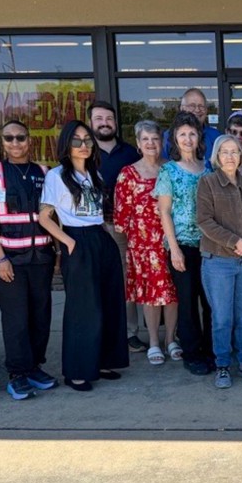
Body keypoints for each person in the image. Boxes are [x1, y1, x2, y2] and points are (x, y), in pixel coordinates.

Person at [39, 120, 129, 391]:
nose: (83, 145)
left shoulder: (94, 174)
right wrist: (67, 242)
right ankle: (77, 370)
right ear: (67, 145)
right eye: (77, 140)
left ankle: (101, 361)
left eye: (87, 140)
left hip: (100, 238)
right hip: (76, 240)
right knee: (83, 308)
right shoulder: (56, 176)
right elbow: (44, 217)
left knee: (109, 303)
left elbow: (98, 213)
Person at [0, 120, 57, 400]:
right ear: (2, 142)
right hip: (9, 259)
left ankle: (34, 366)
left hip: (41, 258)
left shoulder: (44, 172)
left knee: (40, 315)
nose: (15, 143)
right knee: (16, 318)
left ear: (29, 140)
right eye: (9, 138)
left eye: (20, 137)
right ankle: (18, 373)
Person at [197, 135, 242, 389]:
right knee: (222, 318)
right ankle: (223, 365)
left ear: (241, 156)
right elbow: (205, 221)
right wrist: (236, 242)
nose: (229, 156)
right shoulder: (208, 183)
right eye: (224, 151)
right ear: (216, 156)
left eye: (234, 151)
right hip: (218, 261)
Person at [114, 120, 179, 366]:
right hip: (144, 245)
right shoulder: (128, 173)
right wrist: (135, 242)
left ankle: (171, 339)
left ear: (162, 142)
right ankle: (153, 341)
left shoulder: (172, 168)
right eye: (145, 139)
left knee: (173, 293)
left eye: (155, 139)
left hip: (173, 240)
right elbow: (121, 216)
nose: (151, 143)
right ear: (138, 144)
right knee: (152, 295)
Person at [154, 112, 214, 376]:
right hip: (183, 245)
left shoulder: (208, 167)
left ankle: (213, 349)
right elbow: (164, 211)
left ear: (199, 137)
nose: (188, 139)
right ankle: (193, 353)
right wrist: (174, 248)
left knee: (211, 301)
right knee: (188, 302)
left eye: (192, 133)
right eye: (182, 134)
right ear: (174, 140)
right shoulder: (168, 171)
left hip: (210, 244)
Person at [88, 101, 144, 353]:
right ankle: (99, 333)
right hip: (90, 226)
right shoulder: (83, 151)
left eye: (109, 118)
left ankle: (129, 332)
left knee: (125, 280)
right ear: (91, 122)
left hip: (122, 227)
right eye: (99, 118)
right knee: (95, 281)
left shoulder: (130, 153)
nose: (104, 122)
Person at [162, 88, 221, 167]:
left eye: (201, 106)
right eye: (192, 106)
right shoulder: (167, 137)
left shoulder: (216, 136)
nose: (197, 110)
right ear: (182, 108)